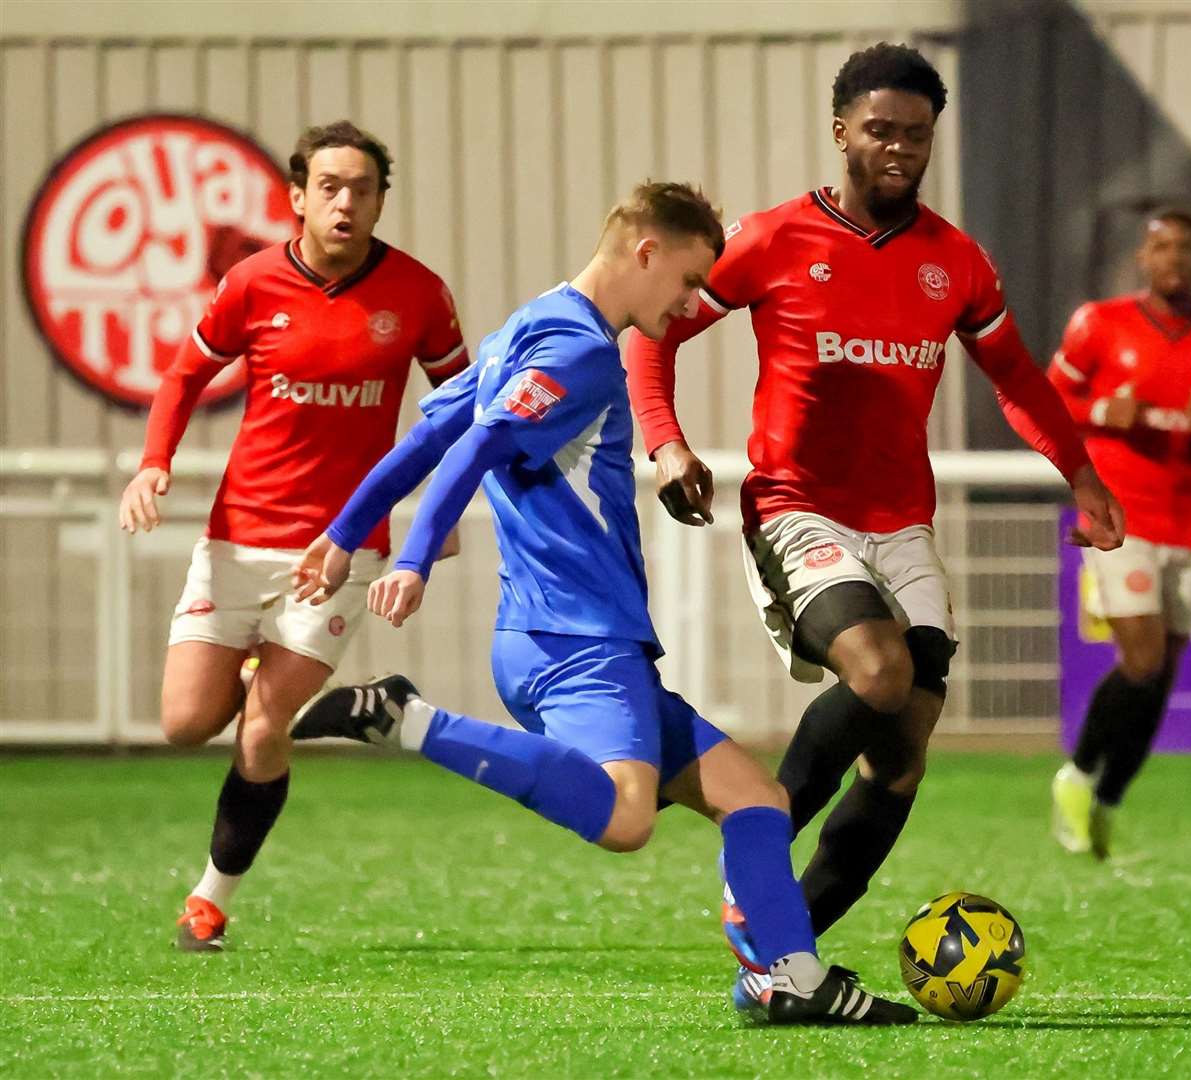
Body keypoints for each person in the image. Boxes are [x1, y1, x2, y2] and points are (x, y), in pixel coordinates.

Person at [288, 181, 917, 1026]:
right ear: (645, 251)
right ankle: (404, 719)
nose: (692, 303)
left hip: (583, 637)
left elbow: (423, 439)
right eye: (689, 281)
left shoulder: (526, 324)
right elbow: (472, 442)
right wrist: (408, 556)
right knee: (626, 818)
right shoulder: (581, 350)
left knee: (758, 804)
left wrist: (342, 534)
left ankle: (791, 980)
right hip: (574, 639)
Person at [623, 44, 1124, 1010]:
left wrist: (1083, 475)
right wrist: (666, 445)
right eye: (881, 130)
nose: (899, 148)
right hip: (794, 503)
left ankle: (784, 959)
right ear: (842, 131)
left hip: (901, 521)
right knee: (882, 670)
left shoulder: (955, 262)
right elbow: (655, 332)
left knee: (903, 752)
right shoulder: (770, 239)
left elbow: (1018, 379)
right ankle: (754, 855)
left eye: (917, 133)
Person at [117, 120, 468, 951]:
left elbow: (466, 412)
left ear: (383, 199)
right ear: (298, 197)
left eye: (365, 189)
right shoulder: (251, 284)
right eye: (331, 188)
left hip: (339, 549)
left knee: (266, 730)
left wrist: (435, 520)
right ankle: (288, 680)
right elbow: (185, 373)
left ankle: (208, 903)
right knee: (182, 723)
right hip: (237, 540)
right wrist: (152, 463)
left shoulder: (418, 293)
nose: (347, 203)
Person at [1046, 207, 1191, 859]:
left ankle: (1108, 799)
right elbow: (1046, 397)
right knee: (1140, 659)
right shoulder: (1100, 323)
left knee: (1160, 677)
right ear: (1143, 258)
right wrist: (1100, 411)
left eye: (1186, 248)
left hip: (1189, 519)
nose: (1174, 258)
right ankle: (1077, 775)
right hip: (1120, 513)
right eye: (1161, 247)